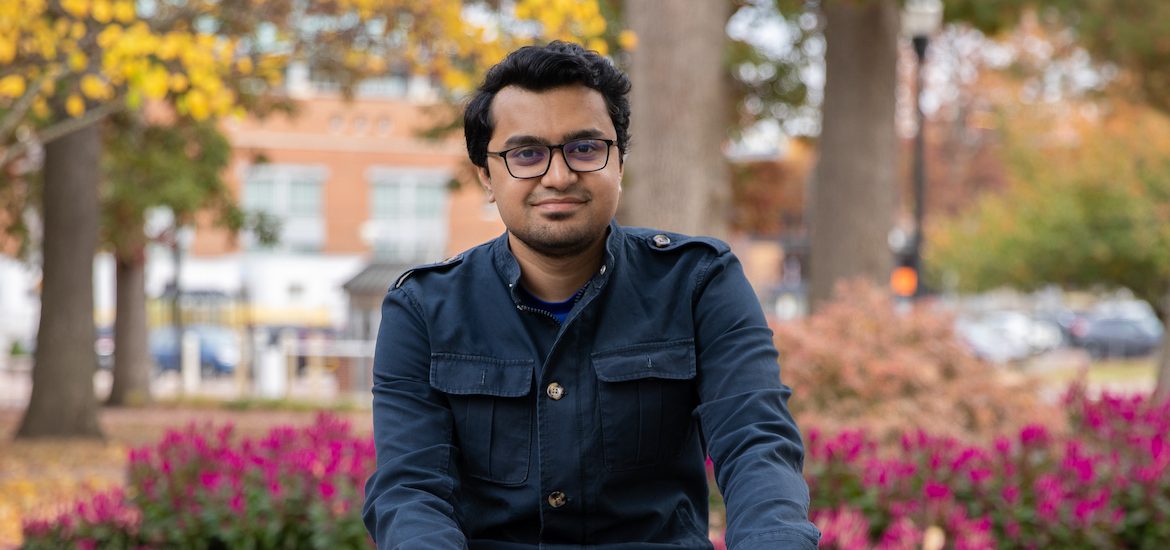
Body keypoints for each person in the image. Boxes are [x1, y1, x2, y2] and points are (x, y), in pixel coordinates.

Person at [362, 41, 820, 549]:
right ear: (486, 176)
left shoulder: (698, 282)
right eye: (526, 154)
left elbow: (756, 444)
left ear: (619, 161)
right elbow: (411, 491)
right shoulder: (424, 308)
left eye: (584, 148)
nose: (558, 176)